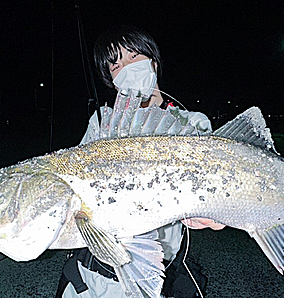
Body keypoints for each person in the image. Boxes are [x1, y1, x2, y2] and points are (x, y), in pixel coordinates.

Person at [56, 26, 225, 298]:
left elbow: (214, 200)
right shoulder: (101, 123)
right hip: (97, 270)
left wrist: (214, 216)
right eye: (115, 66)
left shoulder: (191, 123)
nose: (126, 68)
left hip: (155, 266)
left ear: (153, 64)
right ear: (111, 80)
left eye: (133, 57)